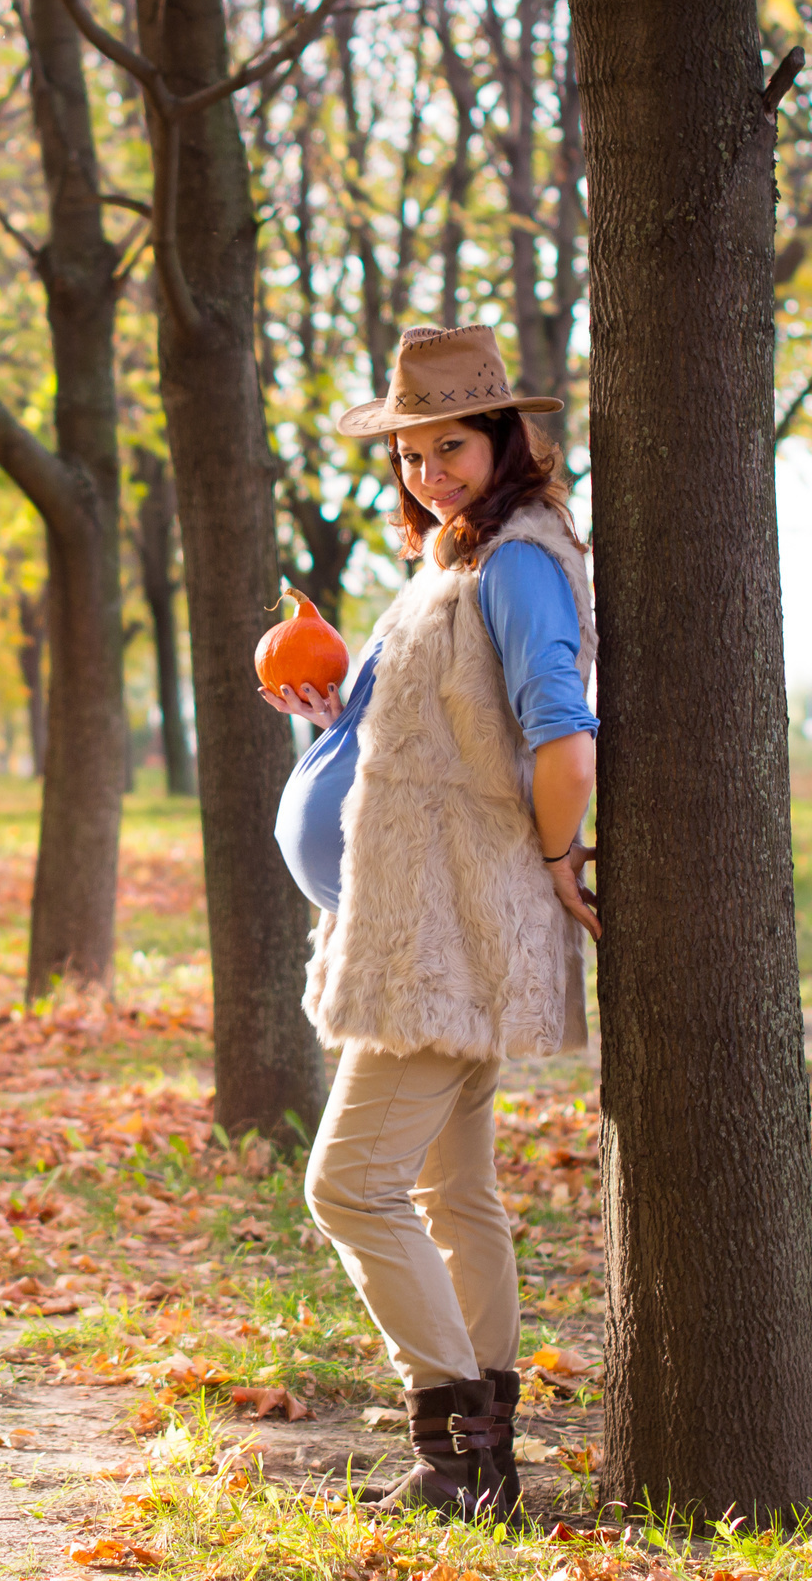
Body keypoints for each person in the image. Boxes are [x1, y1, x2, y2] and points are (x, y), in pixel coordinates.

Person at [262, 323, 599, 1520]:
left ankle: (455, 1451)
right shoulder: (455, 560)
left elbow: (560, 731)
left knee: (348, 1187)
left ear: (506, 436)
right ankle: (483, 1464)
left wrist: (562, 859)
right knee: (459, 1197)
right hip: (416, 922)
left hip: (439, 938)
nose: (426, 471)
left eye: (449, 445)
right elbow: (421, 744)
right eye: (409, 452)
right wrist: (329, 720)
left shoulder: (515, 563)